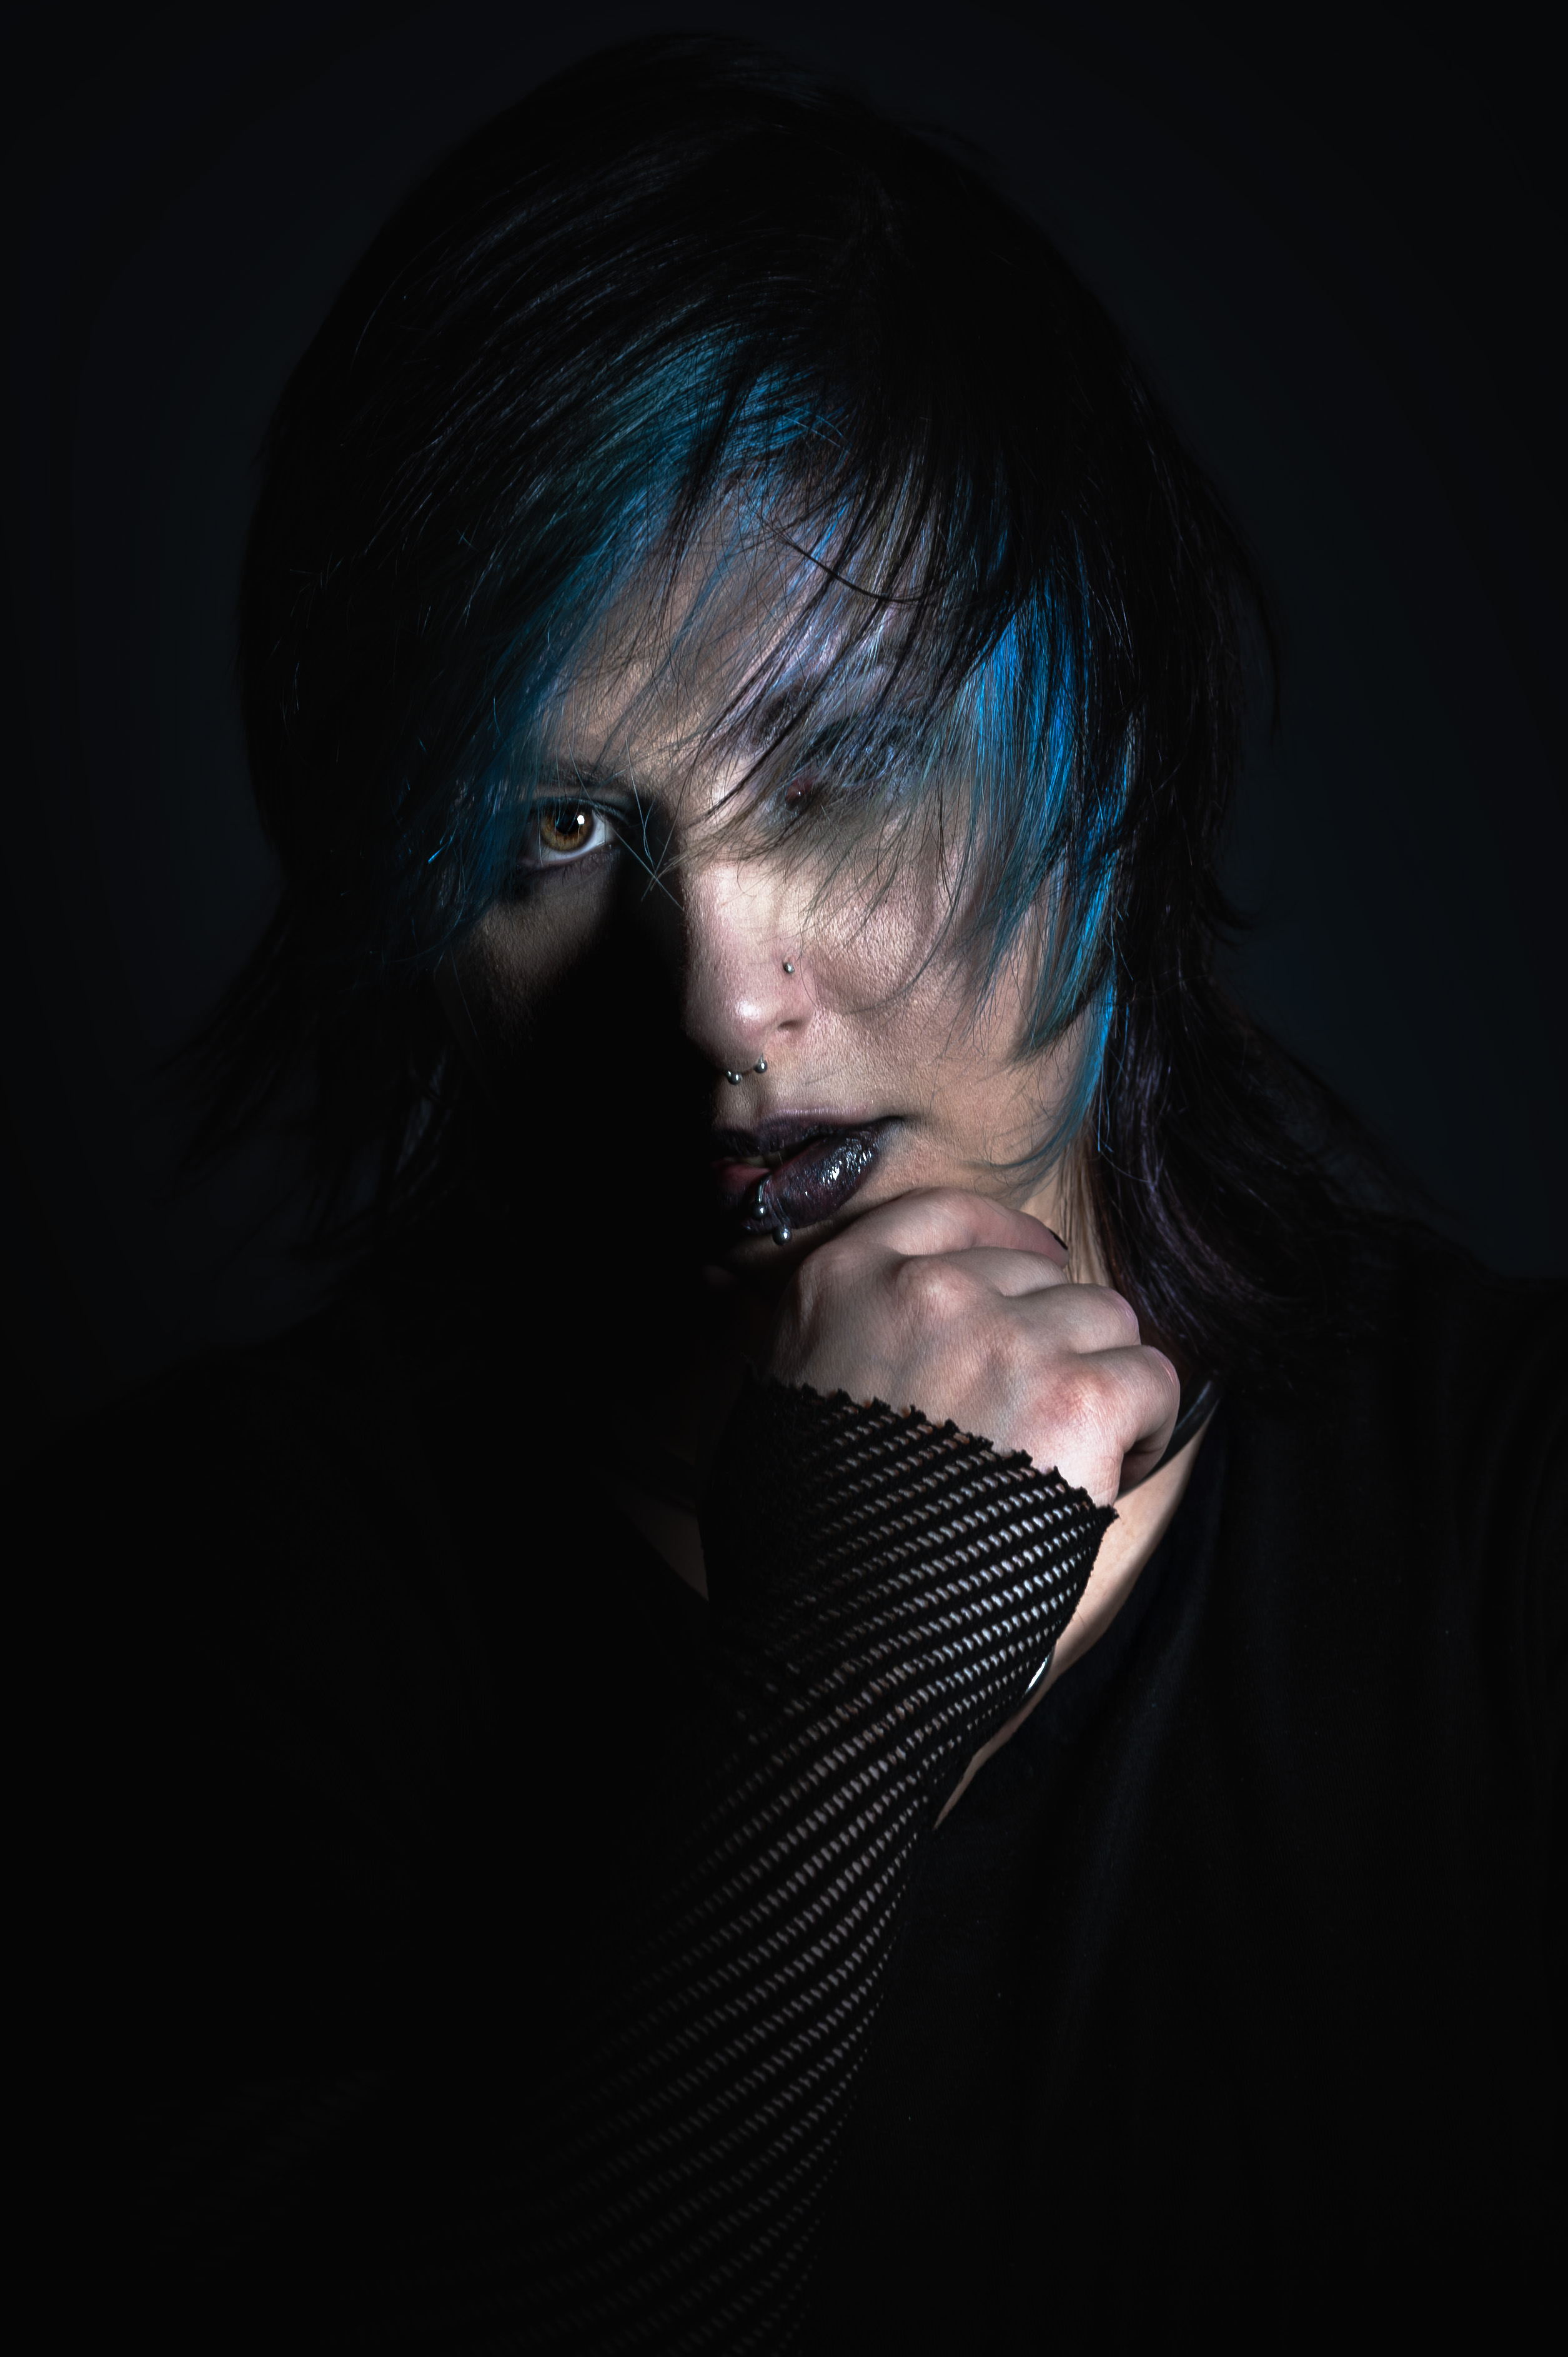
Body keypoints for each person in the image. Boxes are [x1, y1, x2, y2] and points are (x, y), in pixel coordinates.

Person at [23, 33, 1561, 2351]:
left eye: (835, 774)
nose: (722, 997)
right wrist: (841, 1687)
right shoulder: (178, 1612)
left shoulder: (1511, 1524)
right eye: (555, 832)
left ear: (1117, 725)